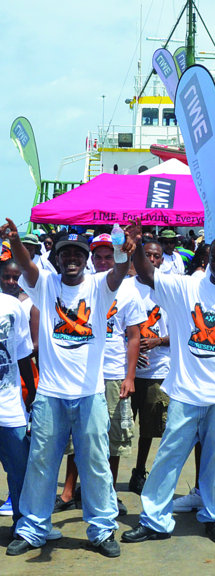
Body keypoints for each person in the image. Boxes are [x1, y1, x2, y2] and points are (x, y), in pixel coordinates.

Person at [121, 224, 215, 546]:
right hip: (185, 391)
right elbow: (147, 274)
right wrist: (139, 245)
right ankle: (154, 518)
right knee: (169, 454)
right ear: (208, 259)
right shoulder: (186, 287)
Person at [2, 220, 132, 558]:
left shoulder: (100, 286)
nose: (71, 258)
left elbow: (120, 270)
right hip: (50, 395)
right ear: (57, 259)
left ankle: (102, 529)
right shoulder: (44, 284)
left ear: (86, 258)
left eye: (77, 253)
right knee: (41, 463)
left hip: (90, 394)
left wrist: (122, 247)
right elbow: (27, 266)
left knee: (96, 464)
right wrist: (15, 241)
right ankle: (33, 528)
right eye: (65, 253)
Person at [57, 233, 147, 516]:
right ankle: (69, 490)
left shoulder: (129, 290)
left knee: (113, 439)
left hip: (113, 374)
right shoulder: (81, 286)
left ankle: (107, 491)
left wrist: (129, 377)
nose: (103, 261)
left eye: (109, 256)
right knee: (77, 437)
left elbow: (133, 337)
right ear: (90, 259)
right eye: (98, 257)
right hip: (83, 375)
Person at [129, 240, 171, 496]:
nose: (152, 260)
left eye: (156, 256)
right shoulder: (127, 288)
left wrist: (157, 341)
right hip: (128, 372)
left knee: (149, 429)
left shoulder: (168, 289)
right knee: (117, 428)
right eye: (148, 255)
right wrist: (130, 350)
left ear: (162, 260)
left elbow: (185, 332)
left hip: (158, 370)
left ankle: (139, 471)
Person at [0, 290, 36, 535]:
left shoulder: (12, 305)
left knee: (20, 469)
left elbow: (23, 354)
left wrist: (33, 391)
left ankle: (22, 524)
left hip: (9, 405)